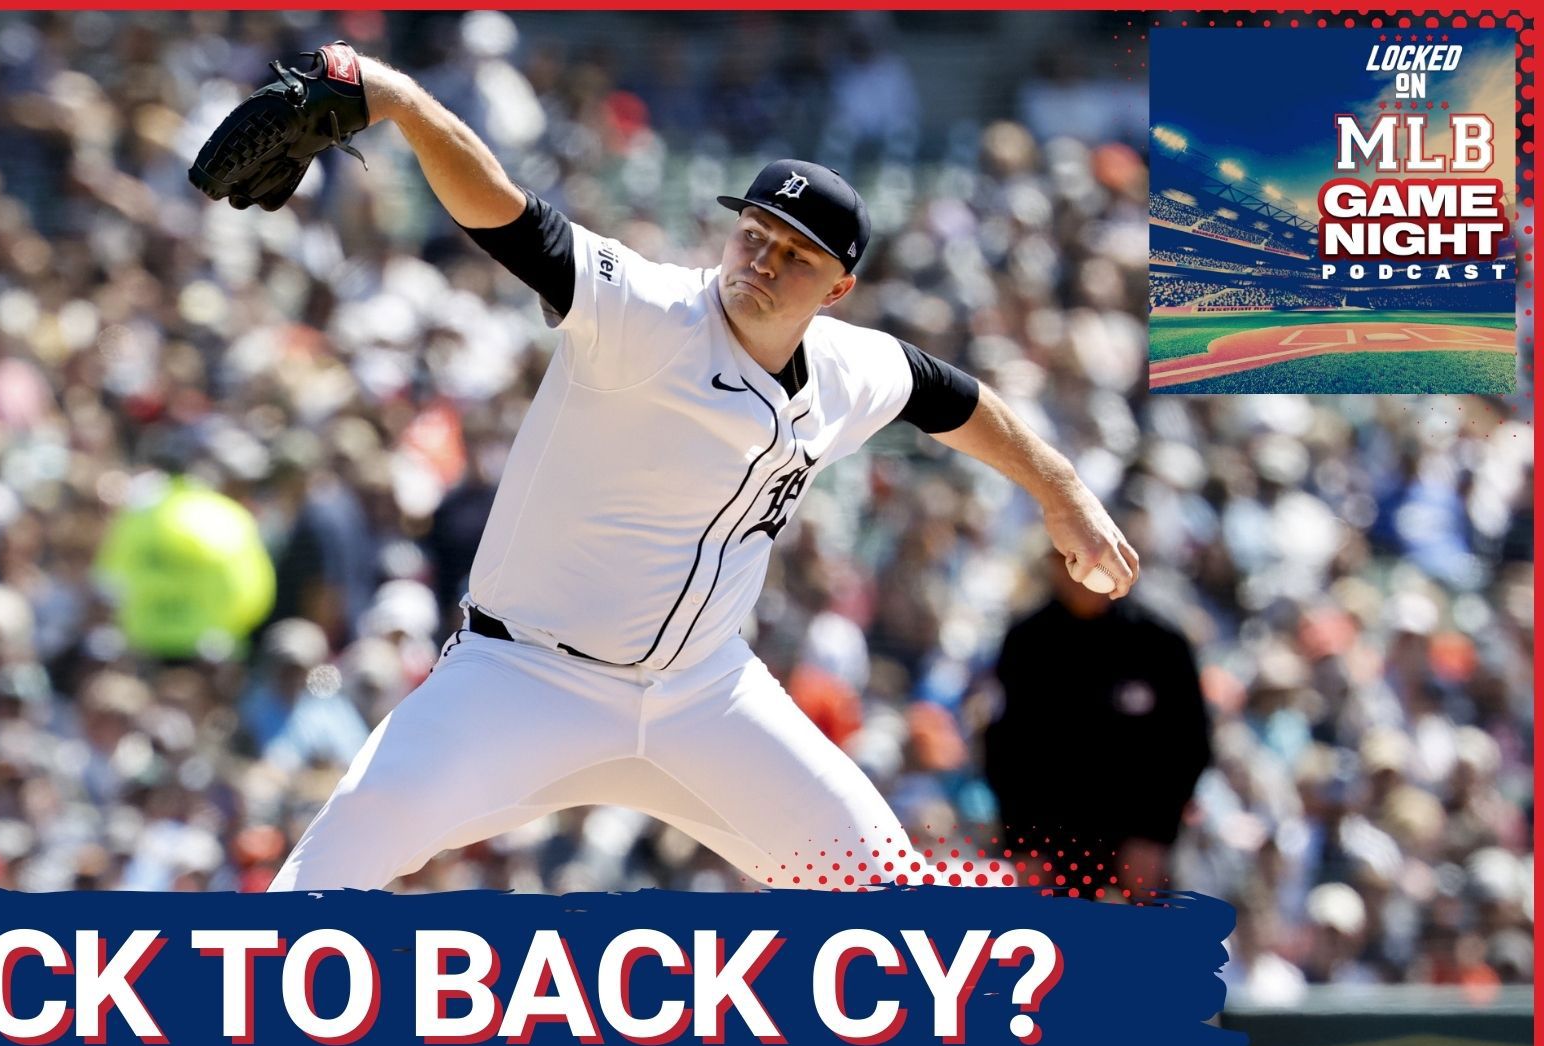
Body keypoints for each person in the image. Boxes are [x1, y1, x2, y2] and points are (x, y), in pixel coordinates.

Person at [265, 49, 1140, 892]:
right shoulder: (646, 311)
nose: (764, 261)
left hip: (704, 695)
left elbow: (948, 395)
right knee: (335, 860)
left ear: (837, 289)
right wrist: (397, 100)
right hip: (523, 676)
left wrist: (1061, 491)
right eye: (755, 235)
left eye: (796, 256)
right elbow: (505, 215)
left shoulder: (851, 368)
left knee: (889, 895)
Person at [982, 552, 1210, 889]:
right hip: (1049, 845)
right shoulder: (1027, 642)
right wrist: (1022, 841)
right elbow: (1004, 747)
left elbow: (1189, 745)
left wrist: (1156, 835)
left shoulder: (1160, 644)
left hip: (1135, 845)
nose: (1082, 574)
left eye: (1095, 561)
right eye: (1069, 560)